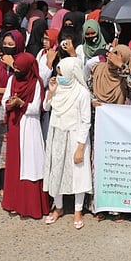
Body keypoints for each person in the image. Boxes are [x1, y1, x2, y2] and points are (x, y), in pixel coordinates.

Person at [43, 57, 92, 228]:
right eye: (58, 71)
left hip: (75, 137)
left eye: (61, 72)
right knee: (57, 171)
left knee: (78, 174)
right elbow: (46, 107)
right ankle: (59, 207)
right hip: (57, 134)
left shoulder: (82, 93)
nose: (59, 75)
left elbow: (86, 121)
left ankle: (78, 210)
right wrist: (51, 91)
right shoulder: (57, 88)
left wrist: (80, 147)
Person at [0, 51, 49, 220]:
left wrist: (21, 103)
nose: (16, 71)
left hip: (30, 126)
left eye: (19, 69)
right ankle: (14, 203)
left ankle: (30, 205)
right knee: (15, 164)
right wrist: (9, 102)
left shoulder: (36, 83)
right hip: (15, 125)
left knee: (31, 163)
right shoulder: (12, 80)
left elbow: (37, 108)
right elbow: (4, 98)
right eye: (14, 68)